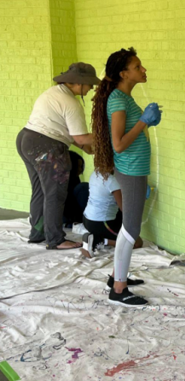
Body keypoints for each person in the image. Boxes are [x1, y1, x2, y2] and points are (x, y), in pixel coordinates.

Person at [92, 48, 162, 307]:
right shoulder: (119, 100)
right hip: (131, 169)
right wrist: (144, 122)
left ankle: (116, 277)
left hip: (135, 170)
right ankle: (119, 290)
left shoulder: (123, 97)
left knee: (129, 227)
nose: (143, 70)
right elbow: (119, 144)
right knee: (131, 229)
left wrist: (144, 122)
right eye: (137, 67)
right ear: (123, 73)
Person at [16, 63, 100, 249]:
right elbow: (79, 136)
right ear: (79, 83)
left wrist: (87, 148)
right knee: (55, 193)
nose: (91, 88)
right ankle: (55, 239)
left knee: (40, 190)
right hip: (47, 147)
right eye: (89, 84)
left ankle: (37, 233)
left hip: (26, 139)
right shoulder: (71, 102)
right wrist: (107, 136)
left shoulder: (53, 92)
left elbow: (71, 134)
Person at [80, 169, 144, 258]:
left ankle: (99, 236)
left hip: (87, 218)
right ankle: (99, 240)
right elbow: (124, 209)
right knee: (137, 243)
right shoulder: (112, 181)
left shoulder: (96, 173)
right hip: (100, 223)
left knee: (121, 221)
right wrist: (139, 198)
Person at [63, 151, 88, 227]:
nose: (80, 169)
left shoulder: (75, 179)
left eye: (81, 166)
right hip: (66, 217)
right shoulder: (62, 180)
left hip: (74, 216)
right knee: (83, 187)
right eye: (78, 166)